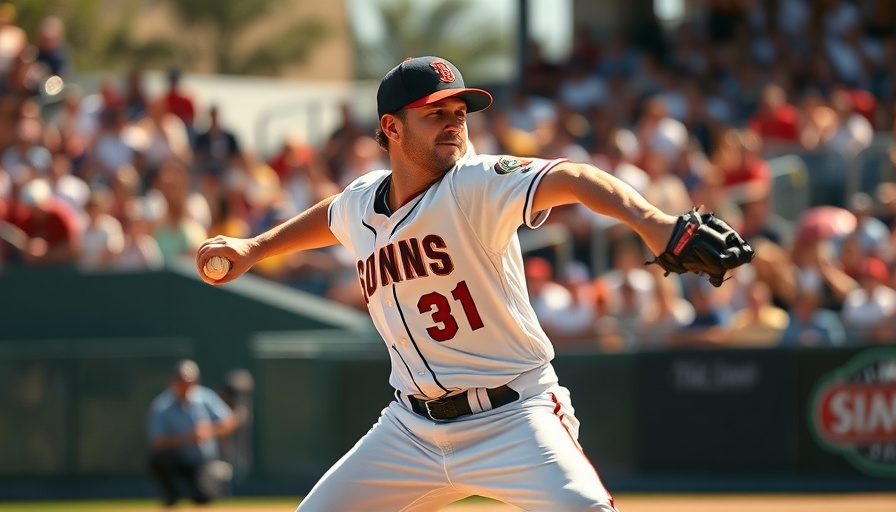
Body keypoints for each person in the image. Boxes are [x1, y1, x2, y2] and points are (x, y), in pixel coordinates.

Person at [196, 56, 745, 511]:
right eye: (436, 112)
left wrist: (652, 222)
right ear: (391, 127)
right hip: (409, 427)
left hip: (514, 417)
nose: (455, 122)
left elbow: (573, 177)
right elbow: (332, 215)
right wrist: (254, 248)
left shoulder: (474, 184)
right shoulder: (363, 199)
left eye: (460, 110)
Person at [147, 359, 237, 507]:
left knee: (203, 498)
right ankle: (171, 496)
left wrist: (209, 429)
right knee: (157, 460)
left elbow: (230, 421)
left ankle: (207, 485)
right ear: (173, 381)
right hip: (177, 461)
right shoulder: (161, 405)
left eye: (190, 381)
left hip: (202, 463)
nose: (186, 385)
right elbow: (156, 442)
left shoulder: (206, 398)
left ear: (196, 380)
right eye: (181, 381)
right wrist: (187, 438)